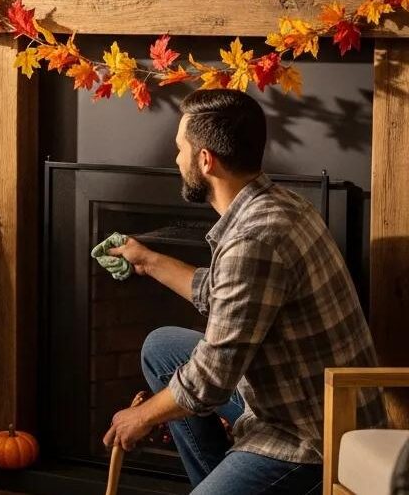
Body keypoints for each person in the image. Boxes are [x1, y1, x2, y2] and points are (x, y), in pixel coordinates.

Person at [102, 89, 385, 494]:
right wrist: (146, 260)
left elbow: (211, 380)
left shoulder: (253, 241)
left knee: (183, 382)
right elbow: (226, 293)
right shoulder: (278, 204)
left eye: (180, 149)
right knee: (163, 346)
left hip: (310, 438)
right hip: (296, 400)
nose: (176, 159)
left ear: (205, 160)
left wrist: (142, 416)